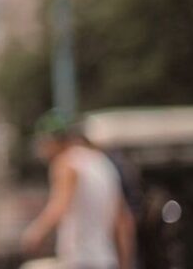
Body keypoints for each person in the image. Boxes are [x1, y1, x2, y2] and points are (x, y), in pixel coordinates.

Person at [21, 111, 136, 269]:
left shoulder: (66, 163)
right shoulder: (103, 164)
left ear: (53, 141)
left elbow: (59, 205)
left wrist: (35, 232)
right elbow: (123, 220)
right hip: (107, 260)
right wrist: (125, 264)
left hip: (81, 259)